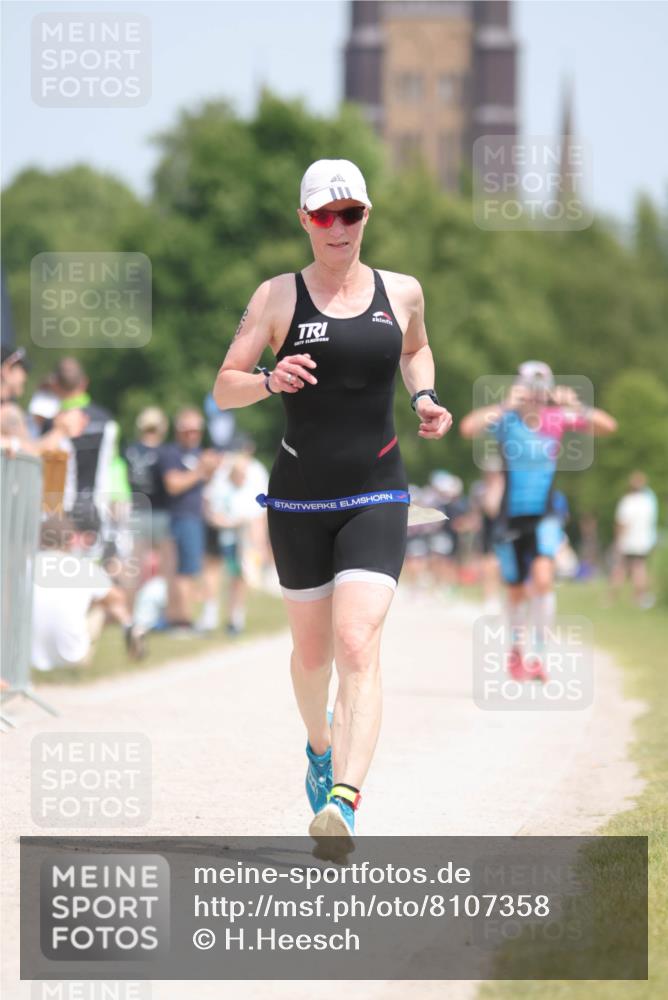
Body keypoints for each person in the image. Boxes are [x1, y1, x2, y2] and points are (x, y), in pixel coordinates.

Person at [213, 158, 452, 849]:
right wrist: (268, 378)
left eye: (350, 214)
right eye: (324, 215)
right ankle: (319, 746)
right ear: (305, 221)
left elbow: (419, 348)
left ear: (366, 217)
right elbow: (224, 386)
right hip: (298, 500)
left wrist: (426, 397)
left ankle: (344, 802)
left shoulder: (402, 291)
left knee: (357, 643)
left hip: (378, 489)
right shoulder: (276, 298)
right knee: (312, 654)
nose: (338, 228)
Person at [460, 361, 617, 681]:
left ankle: (539, 654)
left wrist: (575, 404)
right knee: (516, 589)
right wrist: (505, 404)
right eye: (528, 390)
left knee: (544, 579)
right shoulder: (506, 421)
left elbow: (607, 426)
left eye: (539, 390)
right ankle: (517, 650)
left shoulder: (555, 419)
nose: (534, 397)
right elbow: (467, 428)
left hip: (545, 513)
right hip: (511, 517)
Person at [31, 517, 144, 670]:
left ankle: (129, 627)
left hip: (25, 659)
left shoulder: (25, 566)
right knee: (103, 604)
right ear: (71, 540)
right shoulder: (84, 568)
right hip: (73, 659)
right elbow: (119, 598)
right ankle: (129, 626)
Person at [157, 407, 221, 632]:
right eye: (188, 430)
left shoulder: (198, 453)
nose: (193, 435)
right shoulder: (170, 453)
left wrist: (211, 469)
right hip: (182, 516)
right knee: (184, 570)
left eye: (196, 430)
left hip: (198, 516)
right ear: (179, 431)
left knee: (198, 568)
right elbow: (173, 485)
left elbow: (207, 484)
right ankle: (182, 620)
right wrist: (201, 469)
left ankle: (183, 618)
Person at [610, 471, 658, 608]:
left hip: (628, 540)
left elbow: (622, 523)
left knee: (620, 568)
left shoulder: (628, 501)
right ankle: (638, 597)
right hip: (644, 541)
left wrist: (617, 540)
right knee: (640, 568)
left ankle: (612, 597)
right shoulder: (649, 502)